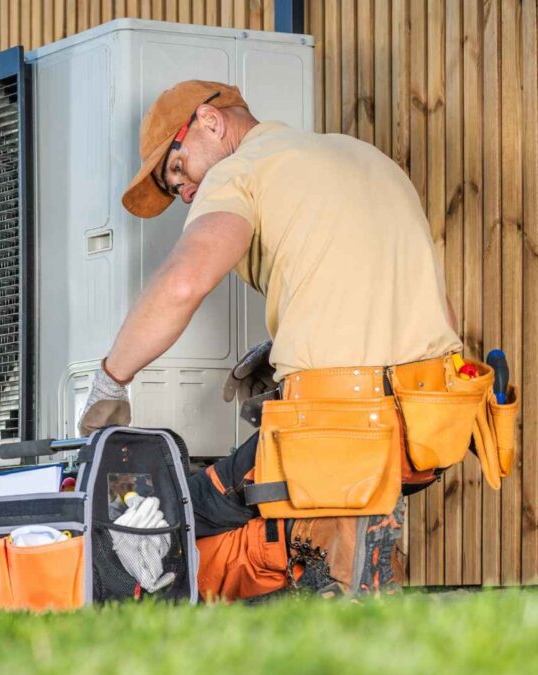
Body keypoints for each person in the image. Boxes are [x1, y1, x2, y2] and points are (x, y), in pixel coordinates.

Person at [77, 80, 464, 601]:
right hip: (427, 426)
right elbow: (438, 310)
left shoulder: (241, 170)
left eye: (177, 170)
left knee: (173, 511)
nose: (186, 192)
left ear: (209, 123)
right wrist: (292, 351)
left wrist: (110, 381)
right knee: (318, 526)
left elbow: (183, 283)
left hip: (337, 428)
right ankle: (352, 584)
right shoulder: (364, 156)